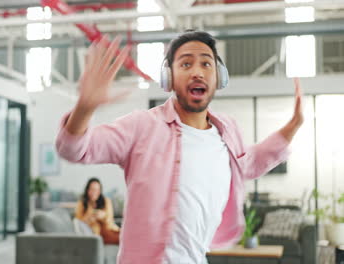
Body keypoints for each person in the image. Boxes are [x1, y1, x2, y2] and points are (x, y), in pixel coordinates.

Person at [55, 30, 303, 263]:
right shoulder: (142, 126)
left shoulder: (227, 130)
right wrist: (84, 108)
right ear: (169, 78)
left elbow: (248, 164)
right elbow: (76, 149)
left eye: (206, 63)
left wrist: (293, 125)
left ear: (219, 77)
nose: (197, 72)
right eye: (186, 63)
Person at [74, 178, 120, 244]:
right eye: (92, 189)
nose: (95, 192)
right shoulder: (82, 203)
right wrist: (90, 216)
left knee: (125, 236)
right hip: (95, 233)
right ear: (87, 190)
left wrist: (103, 216)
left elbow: (110, 220)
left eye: (97, 190)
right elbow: (78, 223)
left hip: (108, 230)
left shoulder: (106, 201)